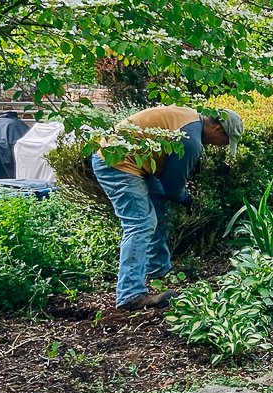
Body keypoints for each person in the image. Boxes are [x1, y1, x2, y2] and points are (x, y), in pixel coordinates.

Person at [92, 105, 244, 311]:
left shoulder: (191, 120)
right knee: (141, 224)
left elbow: (166, 183)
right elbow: (173, 187)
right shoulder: (192, 141)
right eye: (225, 142)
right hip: (117, 163)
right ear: (217, 129)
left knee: (157, 208)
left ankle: (157, 269)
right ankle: (130, 294)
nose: (222, 146)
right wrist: (188, 200)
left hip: (137, 163)